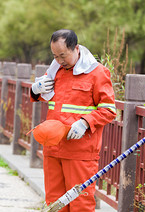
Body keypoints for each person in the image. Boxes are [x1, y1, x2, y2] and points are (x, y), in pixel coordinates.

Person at [30, 29, 116, 212]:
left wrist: (85, 122)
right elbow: (46, 97)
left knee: (80, 205)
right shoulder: (55, 71)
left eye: (63, 55)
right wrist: (34, 90)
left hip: (80, 151)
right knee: (54, 203)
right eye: (55, 56)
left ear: (76, 48)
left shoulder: (97, 73)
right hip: (53, 148)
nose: (59, 60)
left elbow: (109, 110)